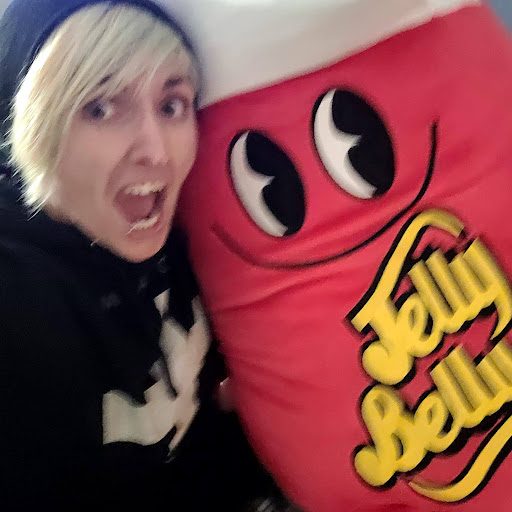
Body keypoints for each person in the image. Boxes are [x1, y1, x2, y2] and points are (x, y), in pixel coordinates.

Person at [0, 0, 285, 509]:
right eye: (100, 108)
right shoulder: (20, 297)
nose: (156, 151)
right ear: (30, 122)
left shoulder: (178, 229)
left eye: (172, 105)